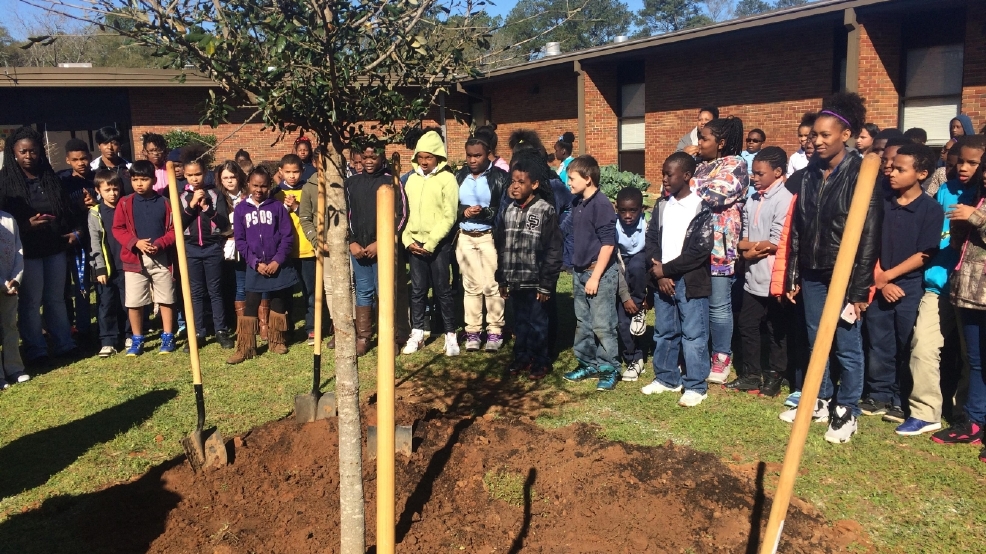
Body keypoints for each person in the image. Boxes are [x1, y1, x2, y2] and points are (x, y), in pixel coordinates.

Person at [782, 92, 880, 444]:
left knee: (845, 342)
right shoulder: (809, 174)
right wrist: (794, 272)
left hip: (844, 273)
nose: (816, 142)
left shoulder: (861, 171)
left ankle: (847, 409)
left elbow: (868, 235)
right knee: (814, 339)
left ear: (845, 134)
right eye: (813, 136)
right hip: (812, 270)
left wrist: (858, 290)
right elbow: (798, 226)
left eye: (825, 135)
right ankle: (819, 398)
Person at [900, 136, 982, 437]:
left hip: (973, 292)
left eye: (972, 162)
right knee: (923, 344)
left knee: (970, 357)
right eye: (960, 160)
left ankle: (966, 415)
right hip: (938, 284)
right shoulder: (945, 190)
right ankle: (925, 412)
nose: (963, 167)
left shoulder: (981, 194)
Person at [860, 143, 942, 425]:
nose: (891, 172)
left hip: (909, 287)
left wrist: (890, 276)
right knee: (878, 342)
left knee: (906, 342)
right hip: (880, 283)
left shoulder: (931, 209)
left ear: (921, 174)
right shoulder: (883, 203)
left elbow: (926, 252)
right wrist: (880, 279)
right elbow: (868, 243)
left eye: (900, 169)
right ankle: (877, 394)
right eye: (891, 167)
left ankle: (899, 398)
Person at [0, 126, 80, 365]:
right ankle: (36, 349)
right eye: (23, 151)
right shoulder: (6, 183)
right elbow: (4, 220)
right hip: (27, 252)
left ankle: (64, 343)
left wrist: (73, 232)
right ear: (13, 153)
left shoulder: (49, 177)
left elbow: (65, 210)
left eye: (33, 151)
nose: (28, 156)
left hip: (54, 247)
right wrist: (26, 225)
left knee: (56, 298)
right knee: (31, 301)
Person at [641, 152, 713, 406]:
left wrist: (667, 270)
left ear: (686, 176)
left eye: (669, 174)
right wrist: (658, 271)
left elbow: (700, 251)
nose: (664, 179)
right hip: (663, 280)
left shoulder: (700, 207)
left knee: (693, 334)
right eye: (662, 173)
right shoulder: (662, 205)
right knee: (664, 331)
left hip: (689, 282)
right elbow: (650, 240)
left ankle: (695, 385)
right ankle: (666, 378)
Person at [728, 146, 793, 397]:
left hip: (774, 276)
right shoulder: (753, 199)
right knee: (747, 324)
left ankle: (775, 375)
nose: (755, 178)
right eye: (753, 173)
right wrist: (749, 251)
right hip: (752, 275)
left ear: (777, 172)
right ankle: (751, 374)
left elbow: (776, 241)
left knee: (777, 329)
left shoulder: (784, 199)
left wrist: (750, 249)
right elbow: (743, 238)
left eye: (760, 173)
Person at [692, 116, 749, 384]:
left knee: (718, 305)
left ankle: (722, 356)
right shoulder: (702, 167)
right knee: (697, 304)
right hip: (694, 245)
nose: (698, 142)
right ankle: (698, 353)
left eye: (704, 138)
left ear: (721, 142)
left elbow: (716, 194)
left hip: (719, 246)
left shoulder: (737, 164)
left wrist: (691, 185)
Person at [495, 155, 562, 379]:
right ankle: (522, 356)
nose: (515, 186)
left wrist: (546, 284)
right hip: (515, 280)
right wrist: (502, 278)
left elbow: (553, 250)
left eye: (521, 182)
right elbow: (502, 246)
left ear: (534, 184)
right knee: (520, 322)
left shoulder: (545, 210)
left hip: (537, 282)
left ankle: (541, 360)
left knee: (538, 323)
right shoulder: (508, 211)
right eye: (513, 181)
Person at [561, 155, 622, 392]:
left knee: (602, 324)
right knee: (583, 322)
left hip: (599, 274)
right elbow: (563, 229)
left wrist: (595, 277)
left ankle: (609, 368)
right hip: (579, 272)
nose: (568, 183)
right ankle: (587, 363)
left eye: (572, 178)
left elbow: (608, 245)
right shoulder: (578, 203)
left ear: (587, 179)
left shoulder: (602, 205)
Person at [942, 137, 986, 463]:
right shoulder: (976, 197)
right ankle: (973, 422)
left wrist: (975, 217)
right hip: (970, 293)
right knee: (975, 362)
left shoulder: (977, 208)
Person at [228, 167, 299, 363]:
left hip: (277, 265)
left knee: (278, 302)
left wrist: (277, 260)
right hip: (255, 266)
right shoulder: (241, 209)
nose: (259, 190)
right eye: (255, 185)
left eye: (264, 186)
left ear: (270, 186)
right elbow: (240, 240)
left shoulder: (277, 208)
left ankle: (276, 341)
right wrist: (254, 262)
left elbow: (287, 237)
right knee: (250, 305)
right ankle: (245, 347)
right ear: (248, 184)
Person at [401, 130, 460, 355]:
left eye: (429, 157)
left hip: (438, 244)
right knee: (417, 290)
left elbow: (449, 215)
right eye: (421, 157)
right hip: (415, 243)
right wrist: (408, 241)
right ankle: (417, 333)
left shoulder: (447, 179)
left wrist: (432, 242)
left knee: (442, 290)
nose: (424, 162)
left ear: (438, 157)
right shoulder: (411, 180)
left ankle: (450, 334)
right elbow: (404, 214)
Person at [112, 160, 177, 356]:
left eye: (144, 179)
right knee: (135, 301)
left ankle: (167, 335)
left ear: (154, 180)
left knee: (166, 297)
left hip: (161, 259)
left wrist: (160, 244)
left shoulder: (165, 203)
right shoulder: (124, 203)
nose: (139, 183)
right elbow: (118, 229)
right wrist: (135, 242)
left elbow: (174, 230)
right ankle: (137, 338)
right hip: (134, 259)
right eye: (135, 179)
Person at [455, 135, 508, 352]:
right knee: (471, 286)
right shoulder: (459, 176)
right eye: (469, 155)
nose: (472, 160)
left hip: (489, 235)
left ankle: (495, 331)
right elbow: (451, 206)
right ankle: (473, 331)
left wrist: (486, 213)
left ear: (488, 155)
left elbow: (504, 207)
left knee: (492, 285)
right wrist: (463, 211)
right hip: (466, 236)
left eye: (477, 155)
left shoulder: (500, 177)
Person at [179, 145, 234, 350]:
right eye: (190, 175)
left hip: (212, 248)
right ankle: (198, 332)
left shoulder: (215, 193)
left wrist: (208, 209)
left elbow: (222, 223)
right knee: (196, 292)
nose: (195, 178)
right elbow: (178, 225)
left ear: (205, 173)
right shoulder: (181, 196)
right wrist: (192, 205)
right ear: (184, 175)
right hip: (191, 249)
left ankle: (221, 330)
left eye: (198, 174)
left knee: (215, 290)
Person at [274, 153, 317, 344]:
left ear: (302, 171)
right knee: (287, 294)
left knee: (310, 291)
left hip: (307, 249)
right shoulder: (275, 194)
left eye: (296, 172)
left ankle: (312, 328)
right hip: (285, 252)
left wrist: (298, 206)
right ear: (281, 172)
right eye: (288, 172)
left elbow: (314, 217)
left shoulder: (308, 190)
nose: (292, 176)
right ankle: (287, 329)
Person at [89, 170, 130, 358]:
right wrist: (100, 268)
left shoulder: (127, 206)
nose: (112, 193)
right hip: (106, 266)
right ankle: (108, 340)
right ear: (98, 190)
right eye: (107, 190)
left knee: (128, 302)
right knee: (106, 303)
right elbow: (95, 241)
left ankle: (129, 335)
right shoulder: (95, 213)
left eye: (115, 188)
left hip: (126, 264)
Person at [60, 138, 97, 339]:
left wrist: (94, 203)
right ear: (68, 160)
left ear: (90, 158)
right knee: (67, 288)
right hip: (68, 240)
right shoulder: (62, 182)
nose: (81, 163)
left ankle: (84, 328)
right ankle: (67, 328)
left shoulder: (97, 179)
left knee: (86, 285)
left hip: (91, 240)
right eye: (75, 159)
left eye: (84, 158)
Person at [614, 187, 649, 382]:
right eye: (623, 211)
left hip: (641, 264)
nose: (627, 216)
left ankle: (638, 305)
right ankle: (634, 357)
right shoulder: (613, 226)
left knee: (636, 265)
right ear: (616, 209)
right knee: (622, 319)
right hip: (620, 264)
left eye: (633, 211)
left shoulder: (647, 225)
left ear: (641, 209)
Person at [216, 160, 248, 330]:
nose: (229, 181)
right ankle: (238, 323)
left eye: (232, 177)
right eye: (225, 178)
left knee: (247, 282)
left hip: (249, 246)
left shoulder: (248, 195)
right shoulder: (219, 198)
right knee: (234, 283)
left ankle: (254, 321)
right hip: (228, 248)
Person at [0, 208, 26, 387]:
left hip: (10, 284)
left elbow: (19, 251)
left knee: (10, 325)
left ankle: (14, 367)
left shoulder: (9, 219)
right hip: (2, 284)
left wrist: (16, 278)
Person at [90, 126, 133, 195]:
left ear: (119, 146)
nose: (110, 147)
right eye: (105, 143)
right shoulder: (92, 170)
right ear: (99, 146)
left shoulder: (130, 168)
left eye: (114, 143)